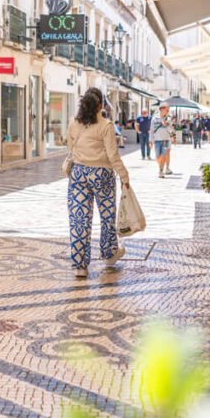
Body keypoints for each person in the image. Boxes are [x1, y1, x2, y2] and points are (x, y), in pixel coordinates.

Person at [66, 88, 129, 279]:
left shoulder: (73, 123)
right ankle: (109, 255)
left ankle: (80, 266)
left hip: (78, 174)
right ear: (101, 105)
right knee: (107, 215)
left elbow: (70, 147)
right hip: (102, 174)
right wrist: (124, 177)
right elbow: (113, 155)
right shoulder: (106, 125)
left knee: (79, 220)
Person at [151, 103, 173, 178]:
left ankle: (161, 170)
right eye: (167, 110)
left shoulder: (168, 119)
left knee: (163, 155)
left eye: (168, 110)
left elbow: (171, 130)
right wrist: (151, 140)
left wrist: (166, 125)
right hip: (157, 140)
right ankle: (161, 166)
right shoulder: (155, 118)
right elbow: (151, 130)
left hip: (165, 139)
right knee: (157, 156)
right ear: (162, 109)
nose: (167, 111)